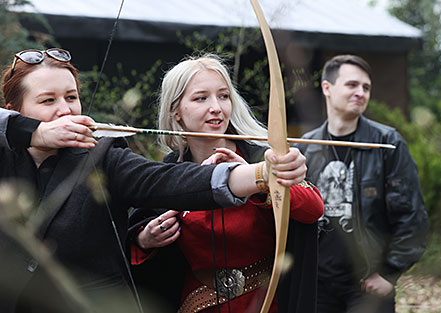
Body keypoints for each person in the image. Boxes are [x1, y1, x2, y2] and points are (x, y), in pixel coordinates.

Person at [0, 48, 309, 313]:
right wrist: (33, 132)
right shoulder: (6, 154)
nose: (65, 110)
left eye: (71, 97)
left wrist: (262, 174)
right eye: (47, 101)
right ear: (14, 111)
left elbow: (174, 180)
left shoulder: (103, 156)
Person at [128, 54, 324, 313]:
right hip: (198, 303)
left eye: (223, 96)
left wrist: (258, 178)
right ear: (175, 111)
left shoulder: (257, 156)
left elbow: (313, 209)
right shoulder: (169, 171)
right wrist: (145, 239)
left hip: (266, 302)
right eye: (201, 98)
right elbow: (133, 237)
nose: (217, 108)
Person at [296, 54, 429, 313]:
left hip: (366, 284)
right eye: (352, 85)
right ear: (327, 88)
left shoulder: (387, 143)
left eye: (366, 87)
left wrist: (389, 272)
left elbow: (412, 216)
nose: (360, 93)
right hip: (318, 284)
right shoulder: (306, 147)